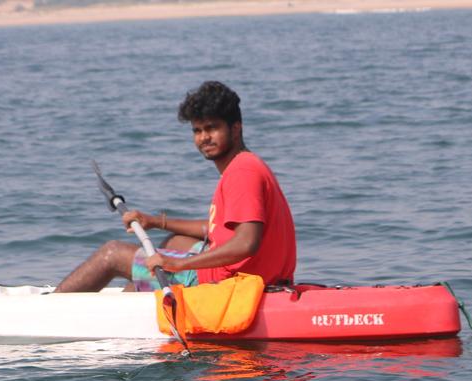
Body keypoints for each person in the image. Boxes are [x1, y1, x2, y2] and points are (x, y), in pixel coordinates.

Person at [54, 81, 295, 293]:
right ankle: (135, 300)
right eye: (197, 130)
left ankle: (47, 311)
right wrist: (156, 222)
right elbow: (216, 229)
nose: (203, 138)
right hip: (252, 275)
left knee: (112, 253)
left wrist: (179, 265)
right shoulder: (244, 164)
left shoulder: (242, 172)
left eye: (212, 128)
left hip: (230, 284)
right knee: (173, 242)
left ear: (235, 128)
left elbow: (245, 243)